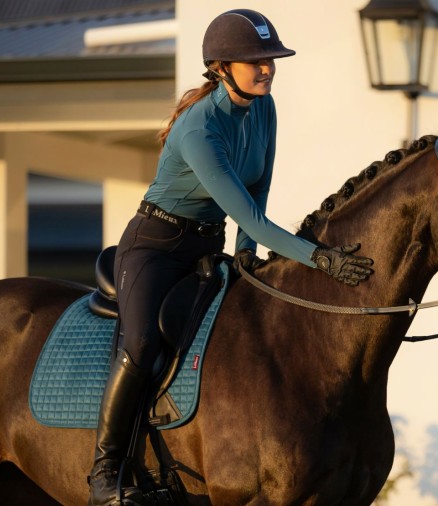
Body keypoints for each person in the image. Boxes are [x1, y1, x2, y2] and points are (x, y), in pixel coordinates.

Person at [86, 9, 374, 505]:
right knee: (140, 344)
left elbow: (256, 189)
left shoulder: (265, 107)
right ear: (221, 66)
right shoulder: (199, 129)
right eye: (255, 60)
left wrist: (243, 254)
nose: (267, 68)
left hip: (205, 245)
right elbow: (255, 217)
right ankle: (105, 473)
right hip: (154, 248)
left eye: (270, 59)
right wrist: (318, 259)